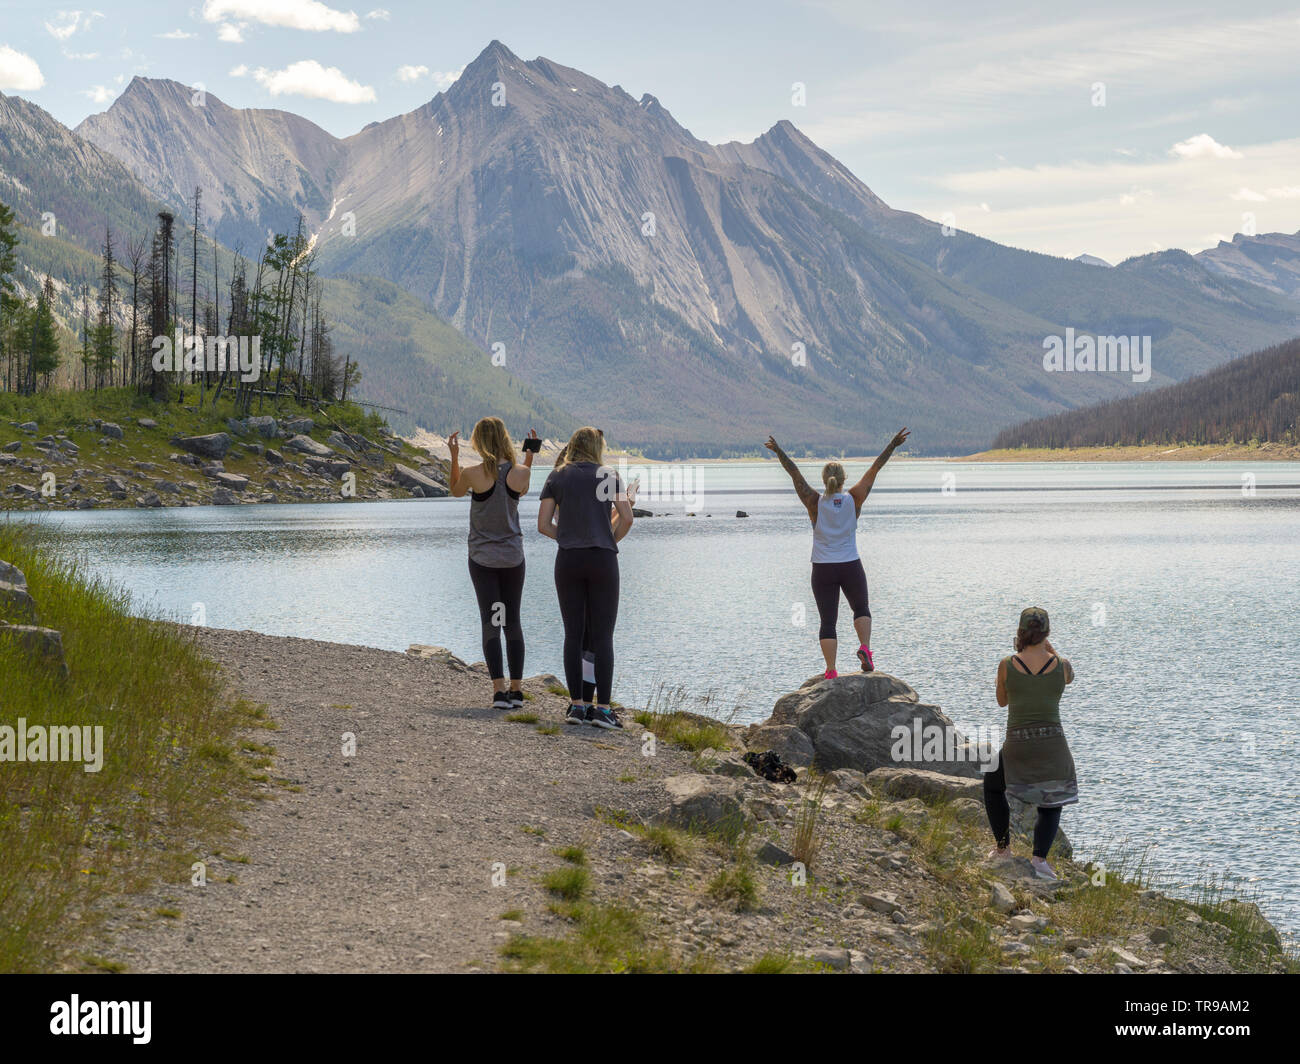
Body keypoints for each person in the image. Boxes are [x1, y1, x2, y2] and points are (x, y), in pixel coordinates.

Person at [766, 429, 909, 678]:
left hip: (822, 568)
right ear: (843, 479)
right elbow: (874, 470)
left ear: (824, 480)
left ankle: (831, 670)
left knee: (828, 621)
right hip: (850, 565)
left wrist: (779, 451)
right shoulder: (854, 498)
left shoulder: (813, 501)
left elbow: (794, 474)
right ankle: (865, 648)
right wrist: (892, 445)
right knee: (861, 608)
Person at [537, 427, 635, 729]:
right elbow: (627, 517)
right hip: (603, 560)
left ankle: (577, 706)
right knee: (602, 637)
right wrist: (609, 541)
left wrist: (566, 538)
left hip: (569, 560)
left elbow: (543, 524)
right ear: (596, 447)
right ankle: (602, 709)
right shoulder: (608, 475)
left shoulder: (557, 476)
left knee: (573, 635)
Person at [448, 418, 539, 710]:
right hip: (513, 557)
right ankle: (517, 690)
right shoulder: (521, 472)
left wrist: (454, 458)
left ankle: (499, 691)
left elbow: (455, 491)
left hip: (483, 559)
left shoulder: (473, 473)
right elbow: (520, 488)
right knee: (512, 622)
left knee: (491, 621)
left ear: (479, 442)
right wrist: (529, 456)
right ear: (504, 438)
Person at [984, 606, 1078, 880]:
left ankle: (1003, 850)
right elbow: (1069, 678)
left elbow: (1002, 702)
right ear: (1046, 633)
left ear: (1021, 632)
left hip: (1018, 745)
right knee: (1052, 801)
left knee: (992, 786)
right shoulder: (1061, 666)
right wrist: (1053, 651)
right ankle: (1039, 860)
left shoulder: (1006, 664)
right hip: (1053, 745)